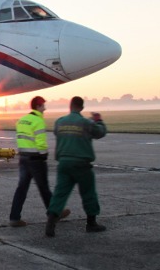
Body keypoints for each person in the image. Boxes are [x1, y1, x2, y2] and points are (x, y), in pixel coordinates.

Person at [45, 97, 107, 237]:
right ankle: (91, 223)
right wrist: (98, 120)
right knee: (88, 193)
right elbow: (100, 133)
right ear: (81, 108)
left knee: (60, 194)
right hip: (81, 164)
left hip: (64, 164)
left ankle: (50, 224)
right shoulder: (86, 123)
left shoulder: (59, 122)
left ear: (70, 106)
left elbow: (57, 133)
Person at [9, 96, 69, 227]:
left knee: (21, 189)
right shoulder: (38, 121)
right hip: (36, 160)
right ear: (38, 106)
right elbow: (41, 143)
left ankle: (14, 218)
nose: (45, 108)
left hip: (23, 158)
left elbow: (20, 138)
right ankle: (55, 213)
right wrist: (44, 156)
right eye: (43, 106)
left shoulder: (22, 120)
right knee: (44, 188)